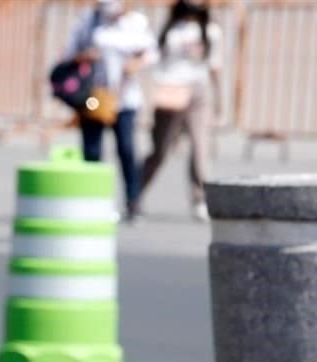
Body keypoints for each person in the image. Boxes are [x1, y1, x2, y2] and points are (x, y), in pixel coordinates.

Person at [63, 0, 156, 221]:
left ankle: (133, 200)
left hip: (124, 99)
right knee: (92, 149)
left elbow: (152, 52)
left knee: (126, 148)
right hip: (95, 97)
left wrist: (137, 63)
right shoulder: (89, 21)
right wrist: (85, 56)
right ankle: (91, 199)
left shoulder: (136, 23)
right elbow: (68, 52)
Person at [139, 0, 222, 221]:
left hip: (197, 93)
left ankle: (199, 199)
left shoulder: (210, 31)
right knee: (161, 149)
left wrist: (219, 98)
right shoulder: (172, 30)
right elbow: (155, 61)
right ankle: (135, 192)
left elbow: (214, 67)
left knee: (199, 148)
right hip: (172, 92)